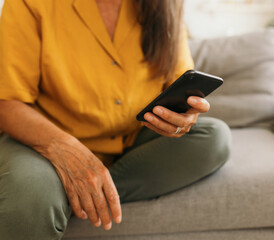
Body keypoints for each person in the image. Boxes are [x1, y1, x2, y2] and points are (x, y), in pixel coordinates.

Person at [0, 0, 231, 239]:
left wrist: (182, 117)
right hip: (46, 141)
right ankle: (63, 194)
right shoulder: (28, 3)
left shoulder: (167, 4)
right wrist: (65, 149)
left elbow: (179, 82)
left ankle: (78, 196)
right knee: (29, 190)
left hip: (134, 137)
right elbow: (7, 103)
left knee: (215, 137)